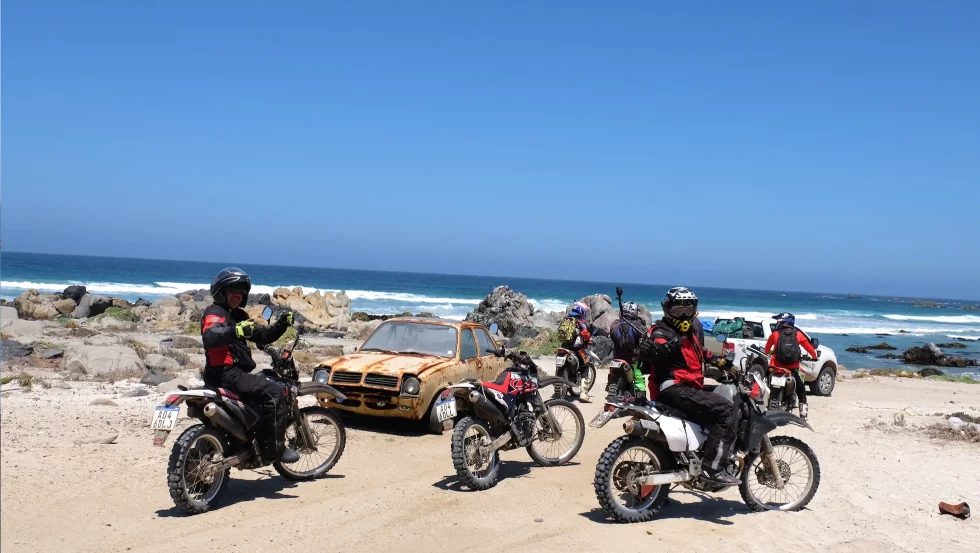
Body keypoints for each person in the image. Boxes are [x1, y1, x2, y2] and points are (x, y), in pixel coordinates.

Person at [638, 287, 739, 485]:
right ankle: (713, 468)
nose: (684, 315)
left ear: (695, 310)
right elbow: (655, 346)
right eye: (678, 310)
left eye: (688, 309)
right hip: (675, 390)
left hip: (689, 388)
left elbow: (701, 352)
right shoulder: (663, 331)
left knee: (720, 398)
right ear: (668, 309)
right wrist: (656, 349)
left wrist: (721, 361)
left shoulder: (689, 332)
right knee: (726, 410)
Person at [201, 267, 300, 464]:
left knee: (259, 393)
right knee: (275, 394)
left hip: (229, 375)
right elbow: (211, 335)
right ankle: (275, 450)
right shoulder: (215, 313)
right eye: (232, 291)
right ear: (221, 292)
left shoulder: (239, 316)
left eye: (241, 291)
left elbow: (263, 336)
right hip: (226, 374)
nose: (237, 295)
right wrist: (234, 331)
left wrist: (281, 324)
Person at [765, 312, 818, 419]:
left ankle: (769, 406)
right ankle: (803, 414)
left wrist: (771, 352)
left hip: (777, 368)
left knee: (768, 383)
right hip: (792, 369)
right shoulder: (798, 334)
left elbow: (767, 349)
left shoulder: (775, 334)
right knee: (801, 390)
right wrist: (814, 356)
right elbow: (809, 348)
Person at [609, 301, 647, 400]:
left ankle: (610, 385)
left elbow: (612, 336)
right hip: (632, 359)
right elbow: (644, 338)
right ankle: (641, 399)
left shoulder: (615, 324)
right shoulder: (638, 325)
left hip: (616, 357)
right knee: (639, 379)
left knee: (612, 374)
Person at [556, 301, 594, 403]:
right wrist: (589, 339)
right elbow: (585, 334)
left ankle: (557, 386)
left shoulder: (567, 318)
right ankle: (584, 394)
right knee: (585, 366)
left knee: (559, 368)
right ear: (582, 311)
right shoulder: (580, 320)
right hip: (576, 348)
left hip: (564, 346)